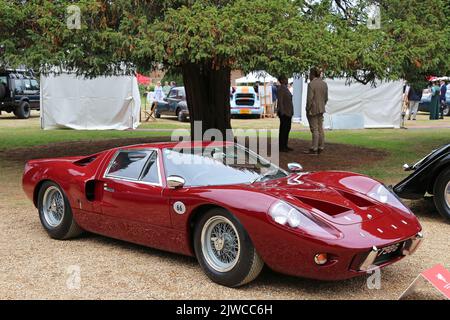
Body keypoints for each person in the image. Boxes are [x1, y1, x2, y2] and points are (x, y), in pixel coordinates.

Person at [305, 67, 328, 155]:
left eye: (310, 74)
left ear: (312, 74)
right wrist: (322, 105)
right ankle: (321, 147)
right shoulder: (324, 84)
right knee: (320, 128)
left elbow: (309, 99)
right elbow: (326, 98)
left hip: (313, 109)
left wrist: (307, 108)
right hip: (321, 108)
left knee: (314, 129)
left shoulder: (311, 84)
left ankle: (314, 148)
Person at [277, 76, 293, 153]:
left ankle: (285, 145)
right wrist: (282, 112)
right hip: (284, 112)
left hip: (288, 112)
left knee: (287, 129)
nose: (287, 80)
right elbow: (280, 101)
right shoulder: (281, 89)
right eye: (285, 79)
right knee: (284, 129)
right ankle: (281, 146)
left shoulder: (285, 88)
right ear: (282, 80)